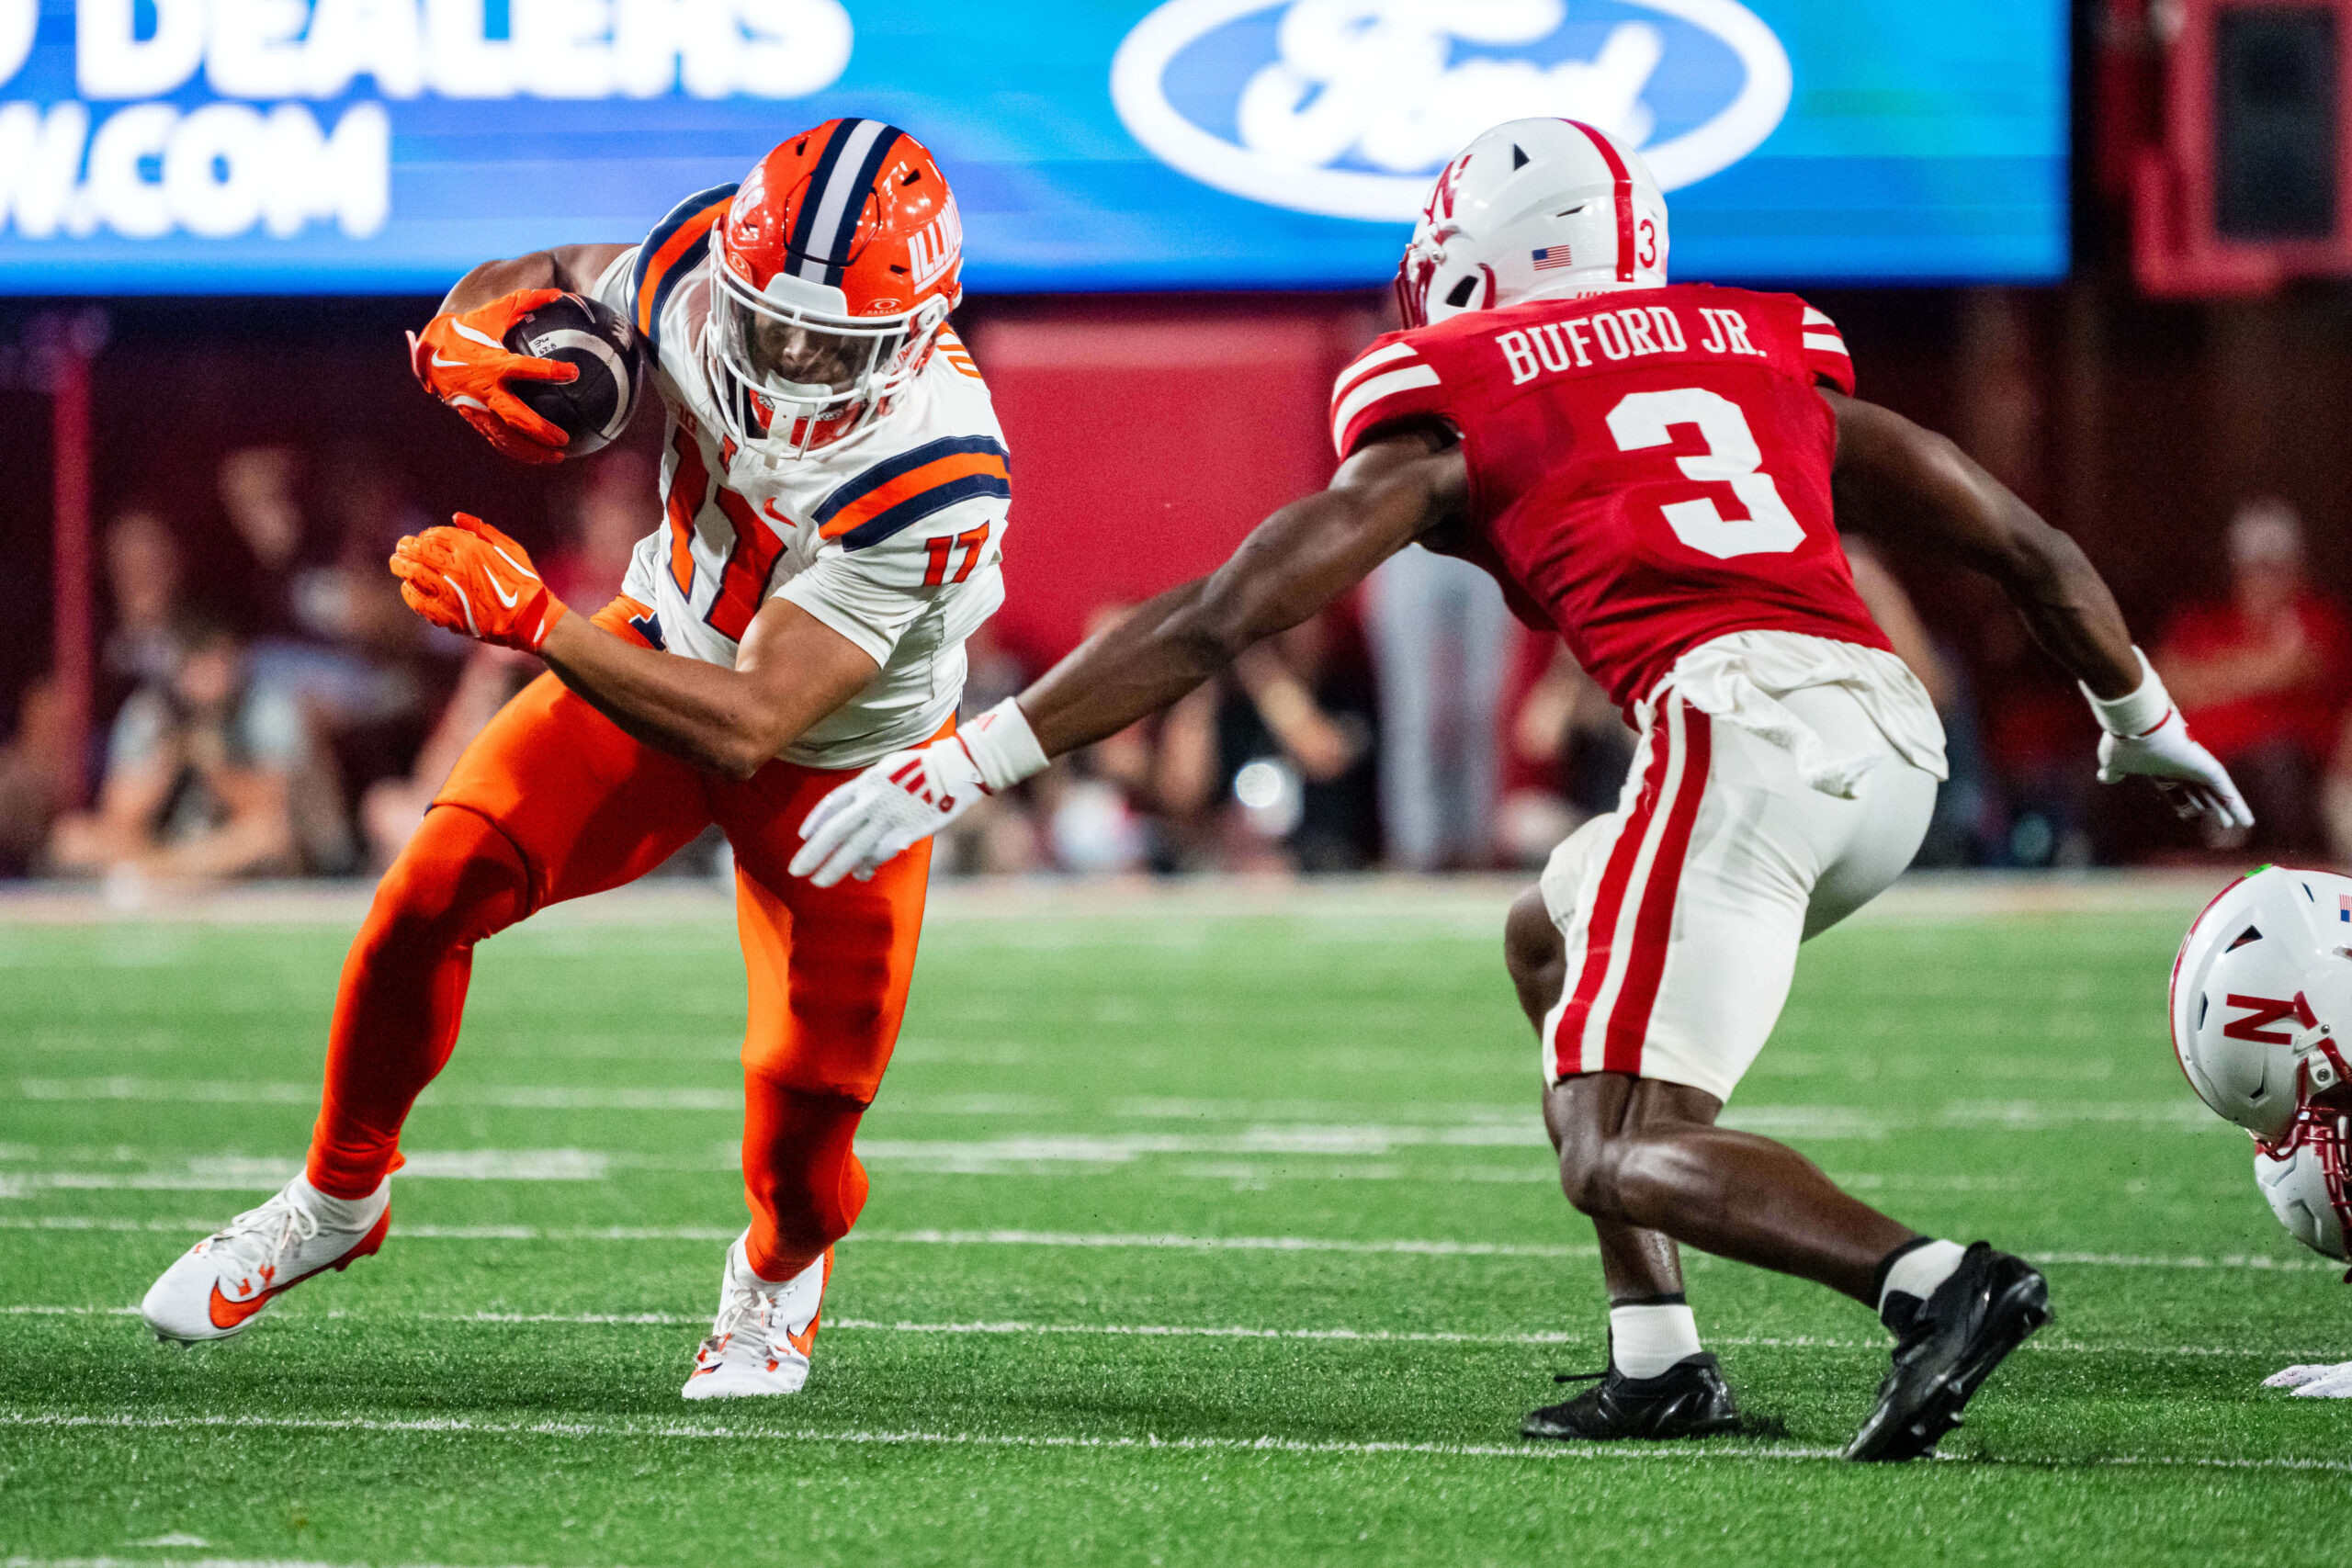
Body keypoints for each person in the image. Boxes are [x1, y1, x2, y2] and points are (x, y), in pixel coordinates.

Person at [786, 118, 2253, 1460]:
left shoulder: (1466, 392)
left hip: (1736, 727)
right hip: (1888, 742)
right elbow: (2030, 545)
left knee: (1618, 1139)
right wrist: (2140, 714)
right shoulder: (1758, 349)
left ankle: (1936, 1281)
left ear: (1486, 263)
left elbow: (1226, 611)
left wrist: (975, 752)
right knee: (1548, 937)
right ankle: (1659, 1355)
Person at [140, 119, 1013, 1404]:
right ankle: (336, 1195)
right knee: (424, 890)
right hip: (659, 644)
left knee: (807, 1109)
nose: (795, 356)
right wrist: (461, 334)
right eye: (774, 321)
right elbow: (545, 264)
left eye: (838, 341)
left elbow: (749, 720)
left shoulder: (940, 467)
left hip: (840, 761)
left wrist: (536, 621)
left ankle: (776, 1277)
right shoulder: (699, 271)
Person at [46, 615, 319, 886]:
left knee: (268, 836)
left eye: (216, 662)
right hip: (166, 843)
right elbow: (118, 814)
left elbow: (274, 807)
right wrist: (166, 762)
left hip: (229, 848)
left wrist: (213, 766)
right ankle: (162, 872)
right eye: (196, 663)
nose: (208, 675)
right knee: (71, 839)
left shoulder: (266, 708)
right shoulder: (150, 712)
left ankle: (158, 873)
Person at [2154, 499, 2348, 852]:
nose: (2265, 580)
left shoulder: (2319, 618)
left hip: (2280, 780)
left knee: (2279, 770)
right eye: (2255, 568)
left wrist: (2210, 676)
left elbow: (2296, 668)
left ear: (2299, 569)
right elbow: (2161, 682)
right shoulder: (2207, 622)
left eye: (2276, 568)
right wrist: (2257, 668)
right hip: (2201, 771)